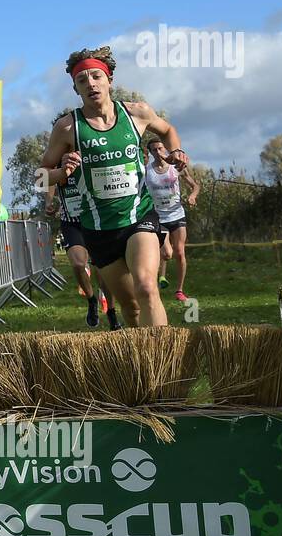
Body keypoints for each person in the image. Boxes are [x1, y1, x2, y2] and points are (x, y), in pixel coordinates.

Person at [39, 46, 188, 328]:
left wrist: (176, 151)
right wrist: (62, 170)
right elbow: (41, 177)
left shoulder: (137, 113)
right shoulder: (68, 128)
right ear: (75, 88)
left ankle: (165, 365)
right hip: (98, 230)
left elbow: (167, 130)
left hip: (138, 217)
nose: (91, 84)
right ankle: (142, 367)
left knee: (146, 287)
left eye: (96, 76)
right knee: (130, 309)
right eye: (82, 80)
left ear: (109, 81)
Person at [43, 156, 119, 330]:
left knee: (102, 269)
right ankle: (92, 300)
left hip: (95, 220)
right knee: (78, 264)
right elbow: (46, 179)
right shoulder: (58, 162)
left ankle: (112, 312)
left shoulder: (90, 156)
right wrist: (49, 202)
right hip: (71, 222)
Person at [144, 139, 199, 302]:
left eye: (160, 148)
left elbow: (195, 186)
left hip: (177, 214)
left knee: (180, 252)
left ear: (166, 149)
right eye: (154, 150)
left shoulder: (177, 167)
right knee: (166, 253)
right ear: (150, 153)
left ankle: (179, 291)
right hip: (158, 216)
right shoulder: (147, 171)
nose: (158, 152)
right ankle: (156, 283)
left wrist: (192, 196)